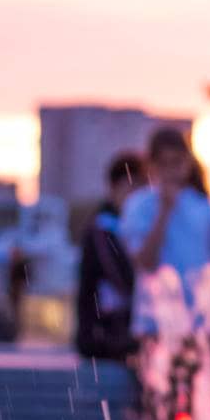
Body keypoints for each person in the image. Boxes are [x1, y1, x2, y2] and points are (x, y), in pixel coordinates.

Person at [118, 126, 210, 328]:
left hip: (198, 322)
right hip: (154, 322)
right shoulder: (138, 206)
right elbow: (144, 262)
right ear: (152, 166)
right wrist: (164, 212)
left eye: (176, 163)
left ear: (187, 163)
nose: (170, 171)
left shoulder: (206, 207)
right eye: (163, 164)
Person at [75, 152, 144, 360]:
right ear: (113, 188)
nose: (135, 198)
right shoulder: (102, 228)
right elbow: (123, 279)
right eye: (130, 189)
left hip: (119, 333)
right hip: (102, 335)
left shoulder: (123, 227)